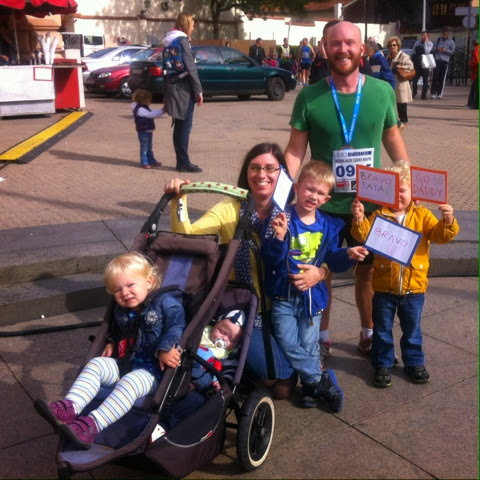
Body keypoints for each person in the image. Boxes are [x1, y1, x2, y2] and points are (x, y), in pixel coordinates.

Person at [284, 21, 409, 369]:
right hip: (322, 204)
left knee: (368, 273)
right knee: (319, 270)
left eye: (350, 43)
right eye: (336, 43)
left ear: (362, 48)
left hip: (370, 204)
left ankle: (368, 334)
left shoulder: (382, 91)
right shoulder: (309, 96)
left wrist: (407, 179)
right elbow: (295, 150)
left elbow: (393, 138)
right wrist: (281, 192)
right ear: (325, 48)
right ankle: (320, 339)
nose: (343, 49)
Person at [164, 143, 299, 400]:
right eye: (254, 168)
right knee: (272, 380)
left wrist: (320, 271)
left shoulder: (292, 212)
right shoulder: (230, 207)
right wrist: (179, 200)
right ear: (246, 172)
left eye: (270, 168)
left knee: (282, 387)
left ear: (281, 173)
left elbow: (316, 251)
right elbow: (188, 235)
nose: (261, 174)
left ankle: (242, 364)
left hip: (281, 305)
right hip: (241, 307)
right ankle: (241, 364)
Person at [34, 252, 186, 449]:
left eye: (130, 285)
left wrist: (166, 348)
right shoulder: (121, 310)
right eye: (117, 290)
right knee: (96, 364)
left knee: (130, 382)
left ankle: (91, 426)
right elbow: (116, 329)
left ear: (149, 282)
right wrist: (111, 343)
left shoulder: (165, 302)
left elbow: (176, 326)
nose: (125, 293)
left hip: (152, 372)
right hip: (125, 363)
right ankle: (70, 408)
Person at [261, 161, 368, 411]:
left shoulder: (328, 225)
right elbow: (270, 258)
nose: (314, 196)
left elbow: (332, 259)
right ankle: (319, 379)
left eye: (320, 193)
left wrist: (348, 253)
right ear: (297, 188)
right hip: (284, 296)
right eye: (310, 189)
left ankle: (310, 388)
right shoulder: (282, 218)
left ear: (327, 198)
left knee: (309, 346)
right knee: (288, 342)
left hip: (313, 298)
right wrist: (279, 238)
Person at [350, 161, 460, 388]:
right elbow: (364, 236)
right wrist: (359, 218)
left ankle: (414, 363)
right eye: (392, 190)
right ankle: (382, 363)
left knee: (412, 330)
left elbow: (440, 236)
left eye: (402, 190)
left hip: (414, 288)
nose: (398, 195)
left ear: (412, 192)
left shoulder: (422, 215)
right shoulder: (378, 215)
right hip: (384, 287)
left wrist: (448, 220)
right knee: (382, 330)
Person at [163, 13, 204, 173]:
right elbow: (191, 68)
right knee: (184, 127)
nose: (193, 28)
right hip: (184, 90)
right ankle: (184, 163)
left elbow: (167, 69)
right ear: (186, 25)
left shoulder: (170, 41)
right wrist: (198, 90)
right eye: (192, 25)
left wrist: (166, 94)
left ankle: (181, 161)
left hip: (173, 87)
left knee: (179, 126)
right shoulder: (182, 41)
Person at [191, 310, 245, 394]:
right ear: (216, 325)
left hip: (204, 374)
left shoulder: (228, 355)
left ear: (237, 343)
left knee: (209, 376)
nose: (224, 338)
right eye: (222, 332)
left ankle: (192, 386)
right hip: (188, 360)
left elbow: (230, 371)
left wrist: (223, 382)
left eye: (231, 340)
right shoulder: (204, 332)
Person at [131, 89, 165, 169]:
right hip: (144, 131)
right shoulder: (140, 109)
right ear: (144, 100)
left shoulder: (143, 107)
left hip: (148, 131)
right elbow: (150, 115)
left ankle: (151, 160)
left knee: (149, 147)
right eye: (149, 100)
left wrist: (161, 110)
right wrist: (162, 111)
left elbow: (151, 112)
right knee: (144, 148)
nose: (150, 101)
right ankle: (144, 161)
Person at [386, 36, 414, 129]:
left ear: (398, 46)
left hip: (400, 82)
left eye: (394, 45)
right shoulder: (388, 56)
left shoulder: (403, 56)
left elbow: (411, 67)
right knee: (392, 103)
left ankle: (403, 123)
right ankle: (395, 122)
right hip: (391, 82)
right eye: (390, 45)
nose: (392, 47)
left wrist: (400, 67)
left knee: (401, 104)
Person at [431, 29, 455, 99]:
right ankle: (433, 93)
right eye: (443, 34)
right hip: (437, 60)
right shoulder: (439, 40)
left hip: (445, 61)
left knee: (442, 78)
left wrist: (445, 50)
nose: (444, 36)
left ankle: (439, 93)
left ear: (448, 34)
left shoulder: (451, 42)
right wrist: (437, 49)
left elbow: (452, 51)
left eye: (446, 34)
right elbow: (433, 48)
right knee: (435, 77)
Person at [411, 31, 434, 100]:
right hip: (418, 64)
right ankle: (414, 92)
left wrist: (425, 43)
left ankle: (423, 94)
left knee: (425, 81)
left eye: (425, 36)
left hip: (425, 64)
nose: (423, 37)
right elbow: (413, 51)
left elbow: (427, 51)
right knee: (414, 80)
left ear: (427, 36)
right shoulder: (417, 43)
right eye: (422, 35)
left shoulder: (430, 43)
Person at [467, 38, 478, 110]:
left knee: (475, 88)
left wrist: (471, 63)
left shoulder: (476, 49)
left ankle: (474, 104)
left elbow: (477, 61)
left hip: (477, 71)